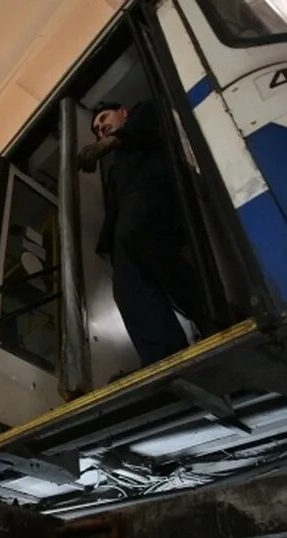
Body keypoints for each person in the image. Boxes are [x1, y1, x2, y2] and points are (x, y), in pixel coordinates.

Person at [78, 101, 200, 366]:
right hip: (132, 226)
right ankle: (166, 357)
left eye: (104, 118)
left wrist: (103, 145)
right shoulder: (115, 170)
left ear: (123, 112)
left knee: (135, 232)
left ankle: (209, 314)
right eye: (98, 130)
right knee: (125, 289)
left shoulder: (144, 111)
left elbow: (143, 127)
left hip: (159, 195)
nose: (101, 128)